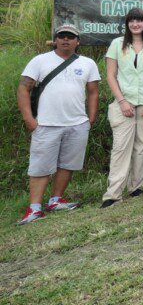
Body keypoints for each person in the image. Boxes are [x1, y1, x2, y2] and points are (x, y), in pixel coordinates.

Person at [16, 25, 100, 225]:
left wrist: (91, 118)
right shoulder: (40, 60)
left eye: (70, 37)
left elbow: (93, 91)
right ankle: (35, 208)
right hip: (46, 124)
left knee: (68, 164)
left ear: (77, 41)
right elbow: (23, 88)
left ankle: (56, 200)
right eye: (61, 36)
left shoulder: (88, 63)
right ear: (55, 40)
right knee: (40, 167)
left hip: (77, 124)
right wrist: (29, 119)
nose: (65, 40)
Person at [102, 8, 143, 208]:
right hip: (124, 104)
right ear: (127, 24)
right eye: (132, 21)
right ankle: (113, 194)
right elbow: (111, 75)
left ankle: (136, 187)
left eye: (139, 20)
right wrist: (121, 101)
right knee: (121, 148)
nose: (135, 24)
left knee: (142, 147)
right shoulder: (117, 44)